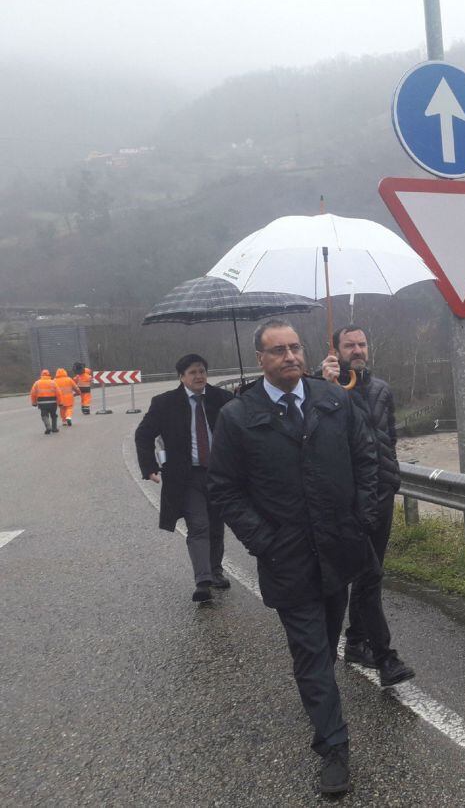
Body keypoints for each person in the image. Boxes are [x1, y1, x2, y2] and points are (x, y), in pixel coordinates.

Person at [207, 320, 413, 796]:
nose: (290, 357)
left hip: (338, 549)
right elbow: (225, 489)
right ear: (260, 359)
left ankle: (329, 721)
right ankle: (333, 746)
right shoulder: (239, 417)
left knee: (326, 636)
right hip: (287, 557)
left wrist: (361, 516)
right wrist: (263, 540)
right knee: (312, 654)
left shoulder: (334, 401)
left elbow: (367, 457)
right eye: (277, 351)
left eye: (295, 347)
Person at [322, 325, 402, 667]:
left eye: (362, 344)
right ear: (336, 349)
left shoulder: (382, 388)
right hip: (347, 498)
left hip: (381, 492)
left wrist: (390, 476)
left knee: (372, 571)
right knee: (359, 575)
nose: (357, 350)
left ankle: (356, 640)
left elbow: (390, 436)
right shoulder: (322, 387)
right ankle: (377, 653)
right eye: (349, 345)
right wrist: (326, 384)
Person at [134, 354, 234, 603]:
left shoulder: (224, 400)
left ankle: (216, 571)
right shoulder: (165, 403)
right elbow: (143, 434)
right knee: (198, 524)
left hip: (219, 474)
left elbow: (241, 431)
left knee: (216, 526)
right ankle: (203, 580)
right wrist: (149, 466)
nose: (199, 376)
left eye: (202, 371)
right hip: (186, 476)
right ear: (181, 377)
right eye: (192, 372)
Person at [29, 369, 59, 434]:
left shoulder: (37, 383)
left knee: (44, 415)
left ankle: (48, 426)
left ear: (41, 375)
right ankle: (54, 428)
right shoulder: (53, 382)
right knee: (53, 415)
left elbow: (33, 393)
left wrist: (34, 402)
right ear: (49, 375)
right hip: (53, 402)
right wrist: (60, 402)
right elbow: (58, 393)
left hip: (42, 403)